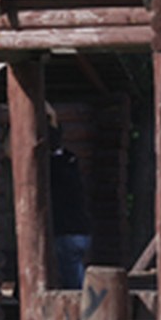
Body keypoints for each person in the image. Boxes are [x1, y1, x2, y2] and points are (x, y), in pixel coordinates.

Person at [48, 120, 91, 291]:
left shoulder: (52, 167)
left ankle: (84, 313)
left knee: (73, 284)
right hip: (80, 231)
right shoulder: (70, 160)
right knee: (73, 274)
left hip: (66, 233)